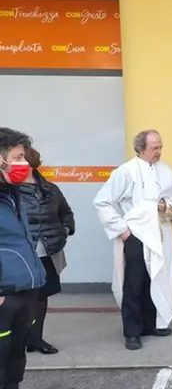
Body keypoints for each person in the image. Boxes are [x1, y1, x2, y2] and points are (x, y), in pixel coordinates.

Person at [93, 130, 172, 350]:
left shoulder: (165, 170)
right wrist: (122, 230)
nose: (159, 152)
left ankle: (152, 323)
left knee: (156, 278)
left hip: (160, 233)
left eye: (160, 147)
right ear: (140, 149)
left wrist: (165, 205)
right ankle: (132, 332)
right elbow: (102, 202)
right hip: (135, 234)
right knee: (134, 283)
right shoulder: (126, 172)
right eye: (154, 148)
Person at [0, 128, 47, 388]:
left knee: (15, 362)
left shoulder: (13, 193)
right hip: (4, 295)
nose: (24, 164)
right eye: (18, 157)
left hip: (26, 290)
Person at [19, 147, 74, 355]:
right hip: (22, 255)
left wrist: (64, 231)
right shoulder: (9, 191)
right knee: (20, 299)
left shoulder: (50, 189)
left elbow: (66, 214)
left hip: (48, 253)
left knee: (41, 298)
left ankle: (35, 339)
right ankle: (18, 340)